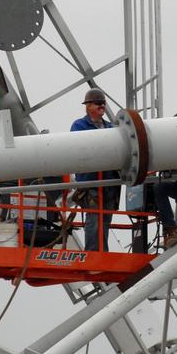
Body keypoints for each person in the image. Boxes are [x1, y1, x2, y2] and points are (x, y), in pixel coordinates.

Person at [70, 88, 120, 252]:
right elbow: (79, 150)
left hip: (109, 184)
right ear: (89, 106)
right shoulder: (79, 126)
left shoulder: (111, 127)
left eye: (103, 103)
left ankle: (102, 254)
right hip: (91, 183)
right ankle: (93, 254)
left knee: (104, 222)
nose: (102, 105)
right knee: (94, 221)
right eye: (98, 103)